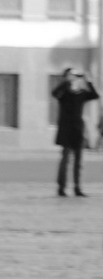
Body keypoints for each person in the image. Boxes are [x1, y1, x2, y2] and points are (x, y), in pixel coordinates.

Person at [51, 68, 98, 198]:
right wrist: (66, 81)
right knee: (65, 160)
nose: (75, 79)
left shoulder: (81, 94)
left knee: (78, 162)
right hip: (66, 130)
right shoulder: (64, 94)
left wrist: (88, 81)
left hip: (78, 131)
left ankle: (78, 188)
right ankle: (61, 188)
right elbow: (54, 93)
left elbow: (95, 95)